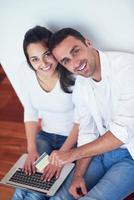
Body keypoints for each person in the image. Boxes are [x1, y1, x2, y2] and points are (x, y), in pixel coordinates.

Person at [48, 28, 134, 200]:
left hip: (130, 156)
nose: (75, 63)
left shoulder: (128, 68)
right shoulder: (81, 86)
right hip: (99, 151)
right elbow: (87, 132)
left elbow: (122, 134)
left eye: (75, 51)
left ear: (87, 42)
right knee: (59, 197)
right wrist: (78, 175)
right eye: (66, 61)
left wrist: (71, 154)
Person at [12, 26, 79, 200]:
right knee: (23, 185)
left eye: (47, 54)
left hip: (72, 142)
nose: (43, 64)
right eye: (34, 59)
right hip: (46, 138)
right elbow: (31, 111)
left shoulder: (73, 75)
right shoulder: (25, 72)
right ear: (28, 61)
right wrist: (31, 149)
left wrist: (63, 155)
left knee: (37, 190)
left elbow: (82, 121)